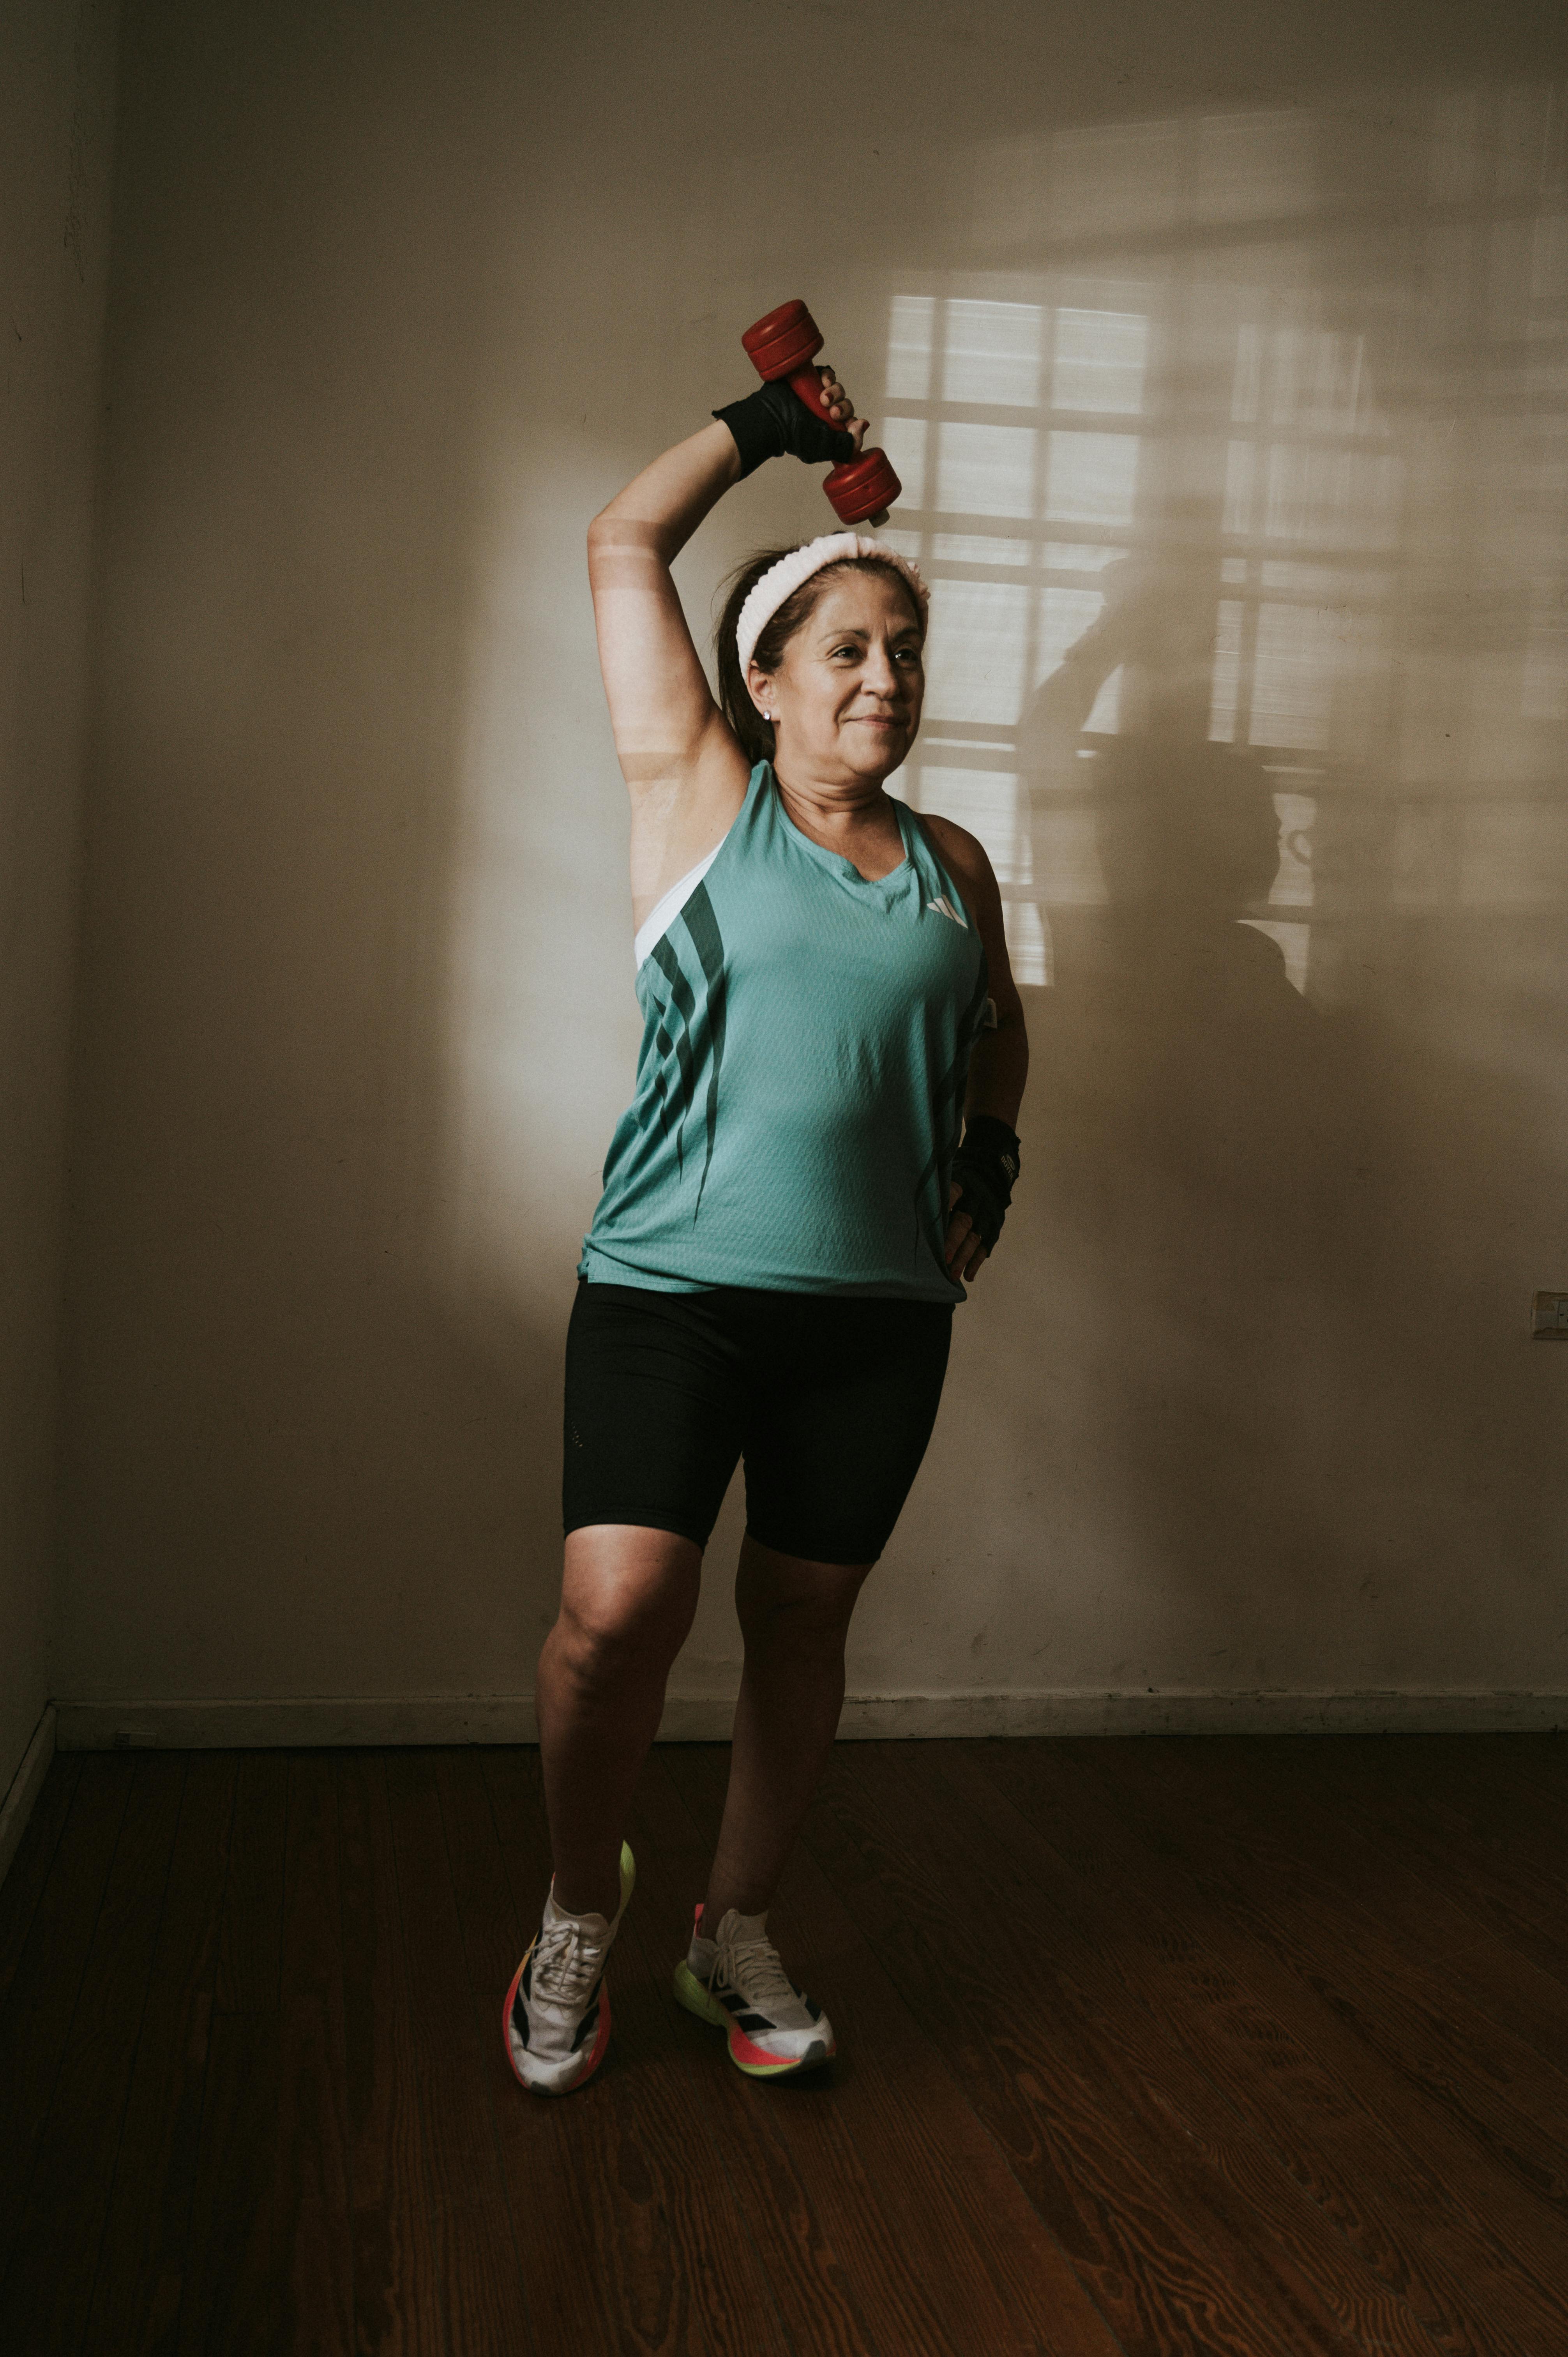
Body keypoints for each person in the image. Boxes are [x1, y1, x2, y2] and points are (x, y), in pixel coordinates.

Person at [503, 350, 1029, 2095]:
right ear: (765, 679)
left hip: (877, 1317)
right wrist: (767, 431)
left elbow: (999, 1032)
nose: (885, 679)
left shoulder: (952, 862)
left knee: (802, 1625)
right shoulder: (697, 799)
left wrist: (989, 1163)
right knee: (617, 1611)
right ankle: (583, 1909)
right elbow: (615, 539)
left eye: (906, 653)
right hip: (669, 1291)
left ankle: (729, 1935)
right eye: (848, 650)